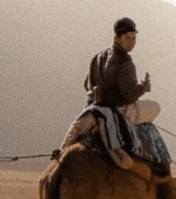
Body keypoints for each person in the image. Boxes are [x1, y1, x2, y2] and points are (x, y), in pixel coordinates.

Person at [60, 17, 160, 151]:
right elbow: (130, 94)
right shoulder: (125, 62)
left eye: (134, 38)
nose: (132, 43)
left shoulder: (97, 57)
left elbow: (86, 85)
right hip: (117, 109)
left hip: (93, 106)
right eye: (128, 38)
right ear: (117, 38)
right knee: (155, 107)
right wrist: (143, 87)